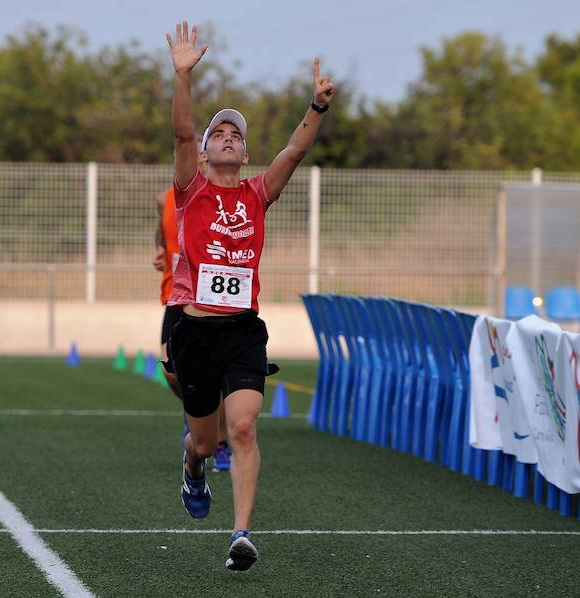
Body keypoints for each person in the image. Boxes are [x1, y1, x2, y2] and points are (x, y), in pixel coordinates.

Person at [163, 20, 335, 571]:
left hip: (241, 329)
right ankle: (191, 468)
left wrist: (316, 106)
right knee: (203, 441)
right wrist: (183, 77)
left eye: (237, 133)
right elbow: (182, 134)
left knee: (241, 428)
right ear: (209, 150)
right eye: (221, 133)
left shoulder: (258, 194)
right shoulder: (192, 190)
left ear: (245, 150)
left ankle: (241, 533)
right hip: (194, 328)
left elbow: (295, 151)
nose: (228, 137)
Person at [154, 146, 231, 472]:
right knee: (171, 370)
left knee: (219, 373)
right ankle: (199, 417)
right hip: (177, 295)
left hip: (212, 298)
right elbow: (162, 230)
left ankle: (222, 442)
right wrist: (159, 249)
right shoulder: (165, 199)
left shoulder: (221, 199)